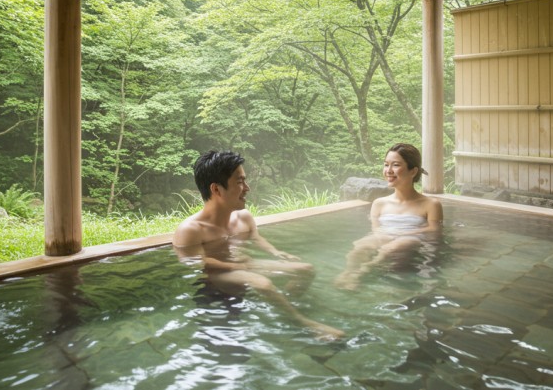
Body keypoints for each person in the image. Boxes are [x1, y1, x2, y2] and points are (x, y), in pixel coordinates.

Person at [173, 150, 344, 340]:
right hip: (218, 277)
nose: (247, 188)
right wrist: (236, 266)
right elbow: (196, 262)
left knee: (306, 269)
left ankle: (282, 307)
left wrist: (276, 252)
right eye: (239, 182)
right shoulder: (191, 230)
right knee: (262, 283)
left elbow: (256, 237)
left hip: (245, 264)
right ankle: (304, 325)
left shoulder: (243, 217)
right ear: (216, 189)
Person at [335, 143, 443, 290]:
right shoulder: (379, 203)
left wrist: (404, 233)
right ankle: (347, 274)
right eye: (386, 165)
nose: (389, 171)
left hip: (412, 238)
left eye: (396, 165)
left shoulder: (431, 204)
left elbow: (434, 230)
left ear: (413, 171)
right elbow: (376, 229)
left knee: (393, 247)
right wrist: (384, 236)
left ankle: (360, 274)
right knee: (360, 245)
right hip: (387, 235)